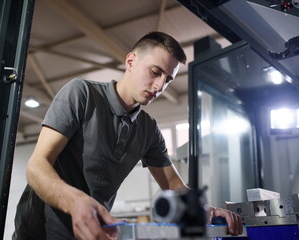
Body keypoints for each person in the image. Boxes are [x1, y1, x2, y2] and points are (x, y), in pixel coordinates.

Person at [13, 31, 243, 240]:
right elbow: (36, 166)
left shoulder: (148, 130)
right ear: (130, 61)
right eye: (155, 72)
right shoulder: (81, 94)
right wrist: (76, 202)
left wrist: (205, 209)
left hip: (93, 233)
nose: (160, 85)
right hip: (38, 232)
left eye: (168, 79)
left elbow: (173, 184)